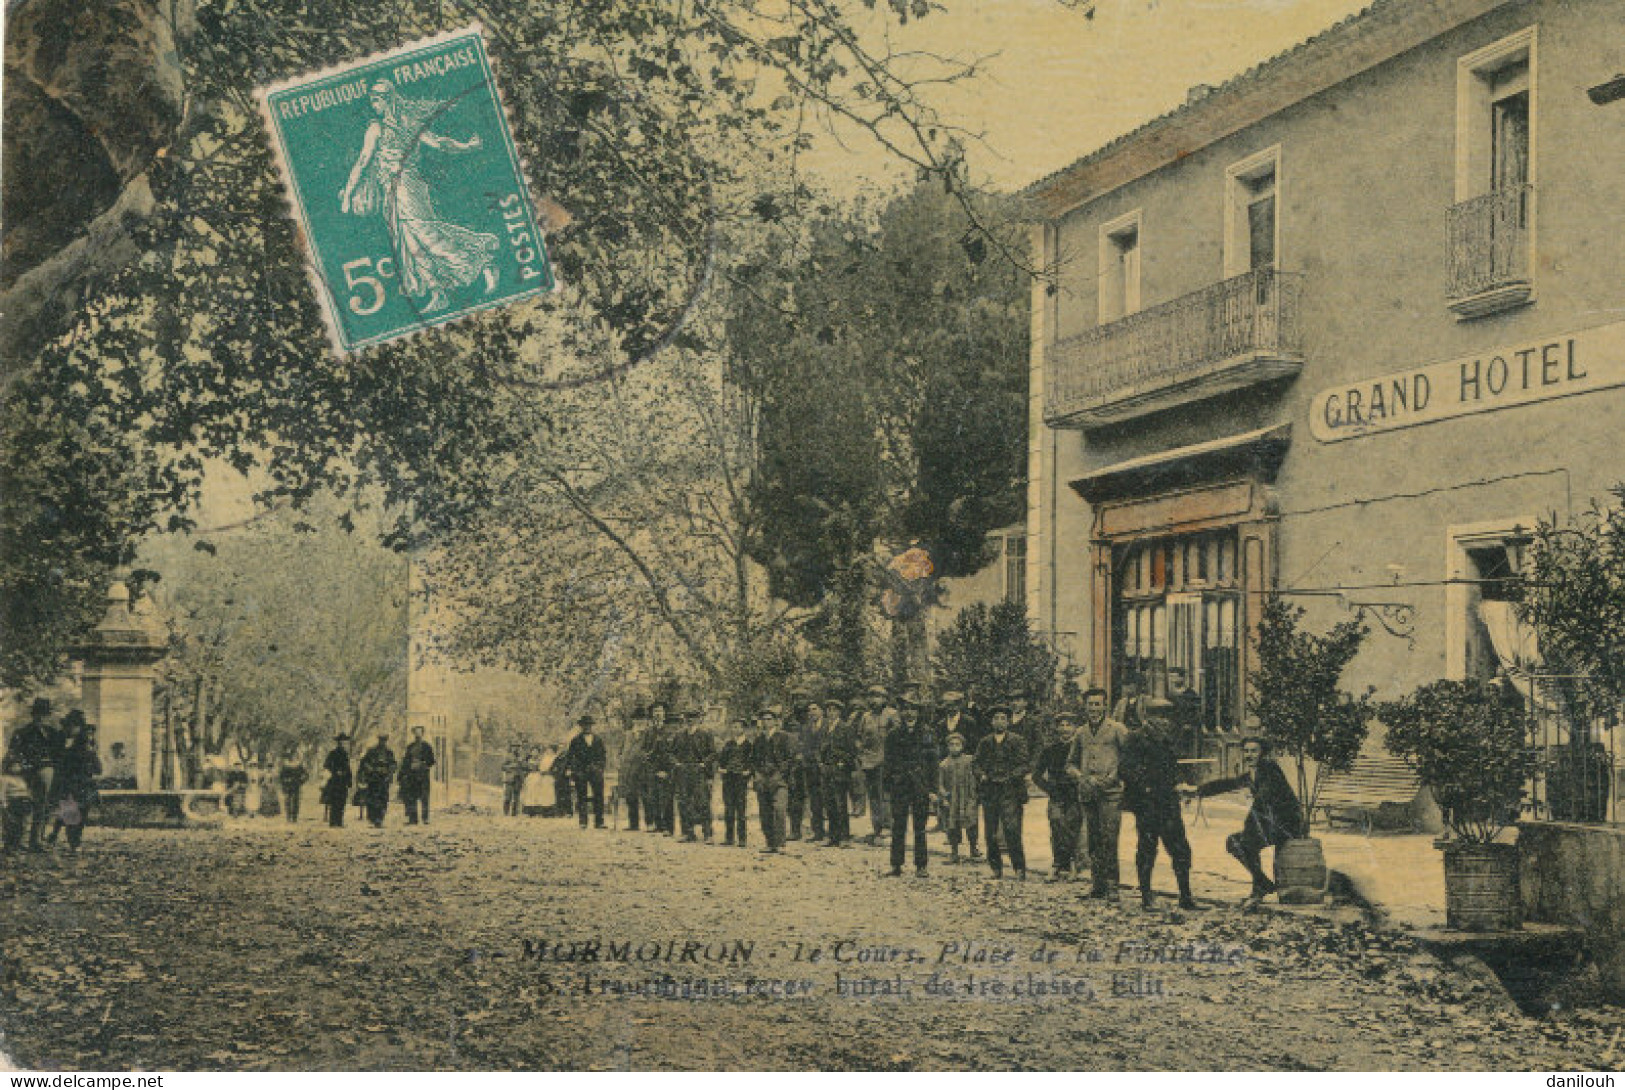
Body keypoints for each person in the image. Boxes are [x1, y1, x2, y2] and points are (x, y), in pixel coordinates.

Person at [339, 79, 500, 314]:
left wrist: (467, 147)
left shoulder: (398, 125)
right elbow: (364, 161)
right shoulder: (383, 127)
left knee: (427, 234)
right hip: (392, 191)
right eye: (372, 101)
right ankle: (438, 292)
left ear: (388, 100)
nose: (374, 106)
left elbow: (438, 143)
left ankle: (481, 262)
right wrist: (467, 147)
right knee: (410, 242)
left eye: (377, 100)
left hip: (407, 187)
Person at [1186, 736, 1304, 906]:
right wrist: (1199, 791)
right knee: (1234, 842)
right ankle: (1261, 884)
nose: (1249, 755)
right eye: (1246, 751)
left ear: (1262, 753)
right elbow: (1230, 784)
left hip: (1287, 825)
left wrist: (1250, 826)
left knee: (1246, 842)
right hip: (1272, 824)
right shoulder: (1253, 772)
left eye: (1254, 751)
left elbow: (1263, 798)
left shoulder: (1269, 769)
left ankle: (1260, 887)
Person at [1122, 700, 1201, 912]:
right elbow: (1126, 769)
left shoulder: (1168, 739)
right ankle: (1146, 896)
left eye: (1167, 716)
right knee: (1147, 849)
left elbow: (1175, 766)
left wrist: (1180, 783)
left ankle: (1186, 896)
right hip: (1146, 803)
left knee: (1181, 849)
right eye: (1159, 716)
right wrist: (1145, 787)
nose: (1164, 721)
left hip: (1168, 802)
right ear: (1147, 717)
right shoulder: (1135, 738)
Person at [1067, 687, 1129, 902]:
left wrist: (1113, 775)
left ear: (1105, 706)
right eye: (1090, 705)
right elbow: (1070, 764)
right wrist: (1081, 777)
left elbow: (1129, 758)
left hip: (1111, 793)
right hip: (1088, 793)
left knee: (1109, 838)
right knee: (1093, 839)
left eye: (1097, 704)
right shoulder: (1081, 733)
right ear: (1084, 707)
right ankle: (1098, 884)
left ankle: (1113, 885)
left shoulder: (1117, 730)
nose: (1093, 709)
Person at [883, 692, 938, 877]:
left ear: (919, 712)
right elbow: (888, 762)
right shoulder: (893, 734)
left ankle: (921, 865)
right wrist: (888, 785)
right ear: (901, 712)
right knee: (898, 825)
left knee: (920, 827)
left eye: (913, 709)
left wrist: (933, 789)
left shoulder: (927, 733)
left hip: (920, 785)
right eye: (905, 709)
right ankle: (896, 865)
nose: (909, 713)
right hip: (900, 785)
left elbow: (933, 763)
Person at [974, 706, 1029, 880]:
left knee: (1012, 829)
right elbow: (976, 763)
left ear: (1008, 721)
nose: (999, 721)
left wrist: (1011, 777)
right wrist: (981, 774)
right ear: (991, 722)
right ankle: (996, 868)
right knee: (990, 832)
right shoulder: (985, 742)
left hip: (1010, 791)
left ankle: (1019, 868)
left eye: (1003, 718)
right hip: (990, 790)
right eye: (996, 718)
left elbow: (1024, 764)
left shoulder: (1017, 741)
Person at [1032, 708, 1083, 882]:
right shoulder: (1050, 750)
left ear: (1075, 728)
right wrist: (1050, 789)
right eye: (1061, 725)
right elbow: (1036, 775)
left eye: (1069, 725)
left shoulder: (1080, 748)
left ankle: (1074, 865)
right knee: (1056, 826)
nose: (1065, 729)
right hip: (1057, 794)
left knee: (1072, 829)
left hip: (1075, 794)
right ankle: (1058, 864)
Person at [4, 699, 59, 853]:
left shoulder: (53, 734)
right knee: (22, 806)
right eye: (38, 714)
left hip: (47, 773)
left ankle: (36, 841)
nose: (41, 718)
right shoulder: (22, 733)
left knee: (42, 808)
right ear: (33, 715)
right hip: (26, 774)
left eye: (44, 714)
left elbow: (58, 754)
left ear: (48, 715)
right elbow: (13, 753)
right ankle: (16, 842)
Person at [48, 714, 100, 851]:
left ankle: (74, 840)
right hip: (69, 783)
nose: (72, 728)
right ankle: (73, 842)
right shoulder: (62, 740)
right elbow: (60, 762)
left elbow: (97, 768)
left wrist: (91, 755)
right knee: (70, 813)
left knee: (82, 814)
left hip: (83, 783)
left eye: (75, 725)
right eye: (70, 725)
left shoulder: (85, 743)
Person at [751, 706, 795, 853]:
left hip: (779, 780)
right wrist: (757, 776)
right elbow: (754, 760)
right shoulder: (759, 739)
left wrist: (779, 774)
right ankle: (770, 843)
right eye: (763, 719)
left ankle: (781, 843)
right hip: (763, 780)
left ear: (776, 721)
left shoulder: (784, 737)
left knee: (779, 810)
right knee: (765, 812)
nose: (766, 722)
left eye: (769, 719)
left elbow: (789, 759)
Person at [856, 685, 895, 844]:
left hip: (886, 761)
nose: (874, 700)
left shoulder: (892, 715)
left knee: (885, 795)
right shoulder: (866, 717)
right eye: (871, 696)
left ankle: (888, 827)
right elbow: (859, 736)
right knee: (873, 797)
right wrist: (860, 750)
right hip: (869, 762)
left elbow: (898, 737)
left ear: (885, 699)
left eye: (878, 696)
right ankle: (876, 828)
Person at [818, 697, 857, 848]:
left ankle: (844, 837)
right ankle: (832, 837)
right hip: (827, 770)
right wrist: (821, 762)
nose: (831, 713)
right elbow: (821, 748)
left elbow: (852, 751)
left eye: (834, 710)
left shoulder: (845, 728)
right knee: (829, 804)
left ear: (839, 712)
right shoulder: (825, 728)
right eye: (829, 710)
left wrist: (843, 763)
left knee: (841, 804)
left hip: (840, 771)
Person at [936, 733, 980, 863]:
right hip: (952, 799)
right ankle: (954, 852)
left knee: (971, 822)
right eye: (951, 745)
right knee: (952, 825)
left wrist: (974, 796)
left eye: (957, 744)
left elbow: (974, 779)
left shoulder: (969, 761)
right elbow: (940, 784)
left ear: (962, 746)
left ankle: (973, 849)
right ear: (947, 747)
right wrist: (944, 796)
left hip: (967, 796)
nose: (954, 747)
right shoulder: (944, 764)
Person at [674, 708, 715, 842]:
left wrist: (704, 763)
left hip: (699, 772)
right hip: (683, 771)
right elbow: (670, 753)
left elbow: (713, 753)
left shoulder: (705, 734)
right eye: (688, 717)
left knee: (702, 801)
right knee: (684, 802)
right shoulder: (679, 735)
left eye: (693, 717)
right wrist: (677, 763)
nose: (690, 720)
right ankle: (687, 832)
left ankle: (707, 833)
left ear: (698, 719)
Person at [794, 694, 828, 843]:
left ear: (821, 710)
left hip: (826, 767)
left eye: (815, 709)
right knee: (815, 802)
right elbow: (802, 746)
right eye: (809, 710)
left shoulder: (828, 725)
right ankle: (818, 832)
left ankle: (836, 833)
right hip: (811, 769)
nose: (812, 712)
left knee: (831, 800)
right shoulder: (805, 728)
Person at [565, 715, 607, 829]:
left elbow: (603, 756)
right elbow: (570, 757)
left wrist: (600, 768)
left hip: (595, 771)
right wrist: (575, 770)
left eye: (589, 725)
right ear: (581, 726)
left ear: (592, 726)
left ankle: (599, 822)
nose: (587, 727)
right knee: (581, 796)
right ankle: (583, 821)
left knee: (599, 795)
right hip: (581, 772)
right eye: (585, 725)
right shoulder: (575, 740)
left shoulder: (598, 739)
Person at [717, 718, 753, 847]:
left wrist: (748, 772)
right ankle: (729, 838)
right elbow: (722, 760)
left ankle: (742, 839)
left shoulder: (748, 745)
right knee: (729, 809)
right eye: (733, 727)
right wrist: (721, 768)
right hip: (728, 779)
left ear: (743, 729)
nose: (735, 729)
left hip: (740, 780)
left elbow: (752, 762)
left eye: (738, 727)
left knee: (741, 809)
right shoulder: (728, 744)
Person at [645, 702, 675, 835]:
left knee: (667, 798)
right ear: (652, 715)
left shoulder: (670, 731)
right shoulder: (649, 732)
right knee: (654, 797)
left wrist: (666, 770)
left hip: (667, 769)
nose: (657, 714)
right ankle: (658, 825)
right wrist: (651, 766)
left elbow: (672, 752)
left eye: (660, 711)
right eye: (655, 711)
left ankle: (669, 827)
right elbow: (644, 750)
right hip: (652, 769)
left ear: (664, 714)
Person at [357, 733, 397, 828]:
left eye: (384, 740)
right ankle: (373, 818)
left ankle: (380, 819)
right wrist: (370, 769)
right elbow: (364, 763)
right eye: (381, 740)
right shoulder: (371, 751)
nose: (382, 742)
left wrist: (388, 771)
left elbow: (393, 764)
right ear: (378, 740)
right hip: (373, 779)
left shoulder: (389, 752)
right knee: (372, 799)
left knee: (383, 799)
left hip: (384, 779)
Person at [399, 725, 437, 825]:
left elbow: (432, 761)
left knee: (424, 797)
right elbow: (406, 761)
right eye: (416, 733)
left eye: (419, 733)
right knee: (412, 797)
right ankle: (413, 819)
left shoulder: (427, 746)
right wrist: (404, 773)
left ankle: (425, 818)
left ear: (422, 734)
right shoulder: (410, 747)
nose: (417, 735)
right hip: (412, 776)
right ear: (413, 734)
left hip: (423, 775)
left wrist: (423, 763)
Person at [1165, 666, 1205, 762]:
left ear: (1182, 678)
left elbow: (1196, 713)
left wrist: (1189, 723)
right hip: (1173, 728)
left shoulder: (1191, 694)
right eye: (1170, 677)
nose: (1172, 680)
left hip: (1187, 730)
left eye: (1175, 677)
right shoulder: (1169, 695)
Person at [620, 709, 649, 831]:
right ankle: (633, 824)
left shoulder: (648, 734)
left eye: (642, 719)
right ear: (633, 721)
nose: (640, 722)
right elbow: (622, 751)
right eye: (637, 719)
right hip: (629, 770)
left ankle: (650, 823)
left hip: (643, 769)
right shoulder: (627, 735)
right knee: (630, 796)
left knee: (646, 797)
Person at [320, 734, 353, 828]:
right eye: (341, 742)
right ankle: (333, 822)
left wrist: (349, 779)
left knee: (342, 801)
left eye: (344, 742)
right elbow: (326, 765)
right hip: (334, 781)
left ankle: (339, 821)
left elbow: (348, 768)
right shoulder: (332, 753)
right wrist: (335, 771)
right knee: (334, 801)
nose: (343, 743)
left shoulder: (346, 754)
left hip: (343, 781)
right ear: (338, 742)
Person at [934, 690, 981, 755]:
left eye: (953, 706)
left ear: (959, 706)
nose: (950, 709)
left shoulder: (968, 722)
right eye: (947, 706)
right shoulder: (941, 724)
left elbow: (974, 745)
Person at [520, 745, 553, 816]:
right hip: (530, 776)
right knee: (529, 793)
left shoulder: (540, 760)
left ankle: (537, 810)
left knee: (537, 793)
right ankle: (528, 810)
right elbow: (524, 768)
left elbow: (543, 768)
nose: (535, 753)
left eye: (536, 752)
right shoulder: (527, 760)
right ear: (531, 752)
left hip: (538, 776)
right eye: (533, 751)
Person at [278, 752, 309, 824]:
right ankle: (288, 817)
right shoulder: (286, 766)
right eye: (292, 756)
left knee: (296, 801)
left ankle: (294, 818)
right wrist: (285, 781)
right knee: (287, 801)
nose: (293, 757)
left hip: (296, 785)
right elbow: (281, 776)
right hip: (287, 786)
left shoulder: (298, 765)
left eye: (295, 756)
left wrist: (301, 781)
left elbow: (306, 775)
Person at [502, 742, 528, 818]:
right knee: (507, 796)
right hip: (509, 779)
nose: (516, 748)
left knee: (516, 797)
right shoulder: (508, 756)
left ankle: (514, 813)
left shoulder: (522, 757)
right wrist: (511, 766)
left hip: (518, 779)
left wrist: (522, 764)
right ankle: (505, 813)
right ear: (511, 747)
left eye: (517, 747)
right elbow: (503, 767)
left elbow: (525, 767)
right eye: (514, 746)